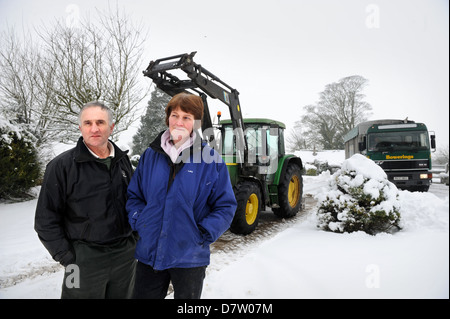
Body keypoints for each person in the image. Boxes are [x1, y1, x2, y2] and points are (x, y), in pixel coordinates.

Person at [127, 92, 237, 299]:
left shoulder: (211, 160)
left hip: (189, 255)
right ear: (167, 117)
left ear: (195, 123)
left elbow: (226, 206)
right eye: (174, 115)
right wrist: (139, 220)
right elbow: (135, 196)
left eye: (186, 117)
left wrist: (203, 232)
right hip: (149, 253)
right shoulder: (150, 155)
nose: (179, 122)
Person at [34, 101, 136, 299]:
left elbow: (134, 202)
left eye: (100, 122)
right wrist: (69, 258)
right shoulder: (61, 166)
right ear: (80, 127)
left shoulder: (122, 161)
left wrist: (135, 241)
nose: (94, 128)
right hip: (83, 260)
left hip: (125, 257)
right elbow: (45, 220)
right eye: (88, 123)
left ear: (111, 127)